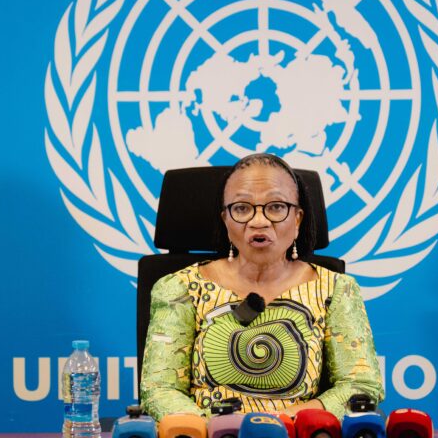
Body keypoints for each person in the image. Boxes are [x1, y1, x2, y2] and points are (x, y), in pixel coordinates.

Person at [140, 153, 383, 419]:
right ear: (225, 219)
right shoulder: (181, 288)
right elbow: (160, 390)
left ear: (298, 219)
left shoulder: (335, 290)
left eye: (276, 207)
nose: (259, 221)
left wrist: (284, 421)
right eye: (242, 208)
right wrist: (218, 429)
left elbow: (361, 386)